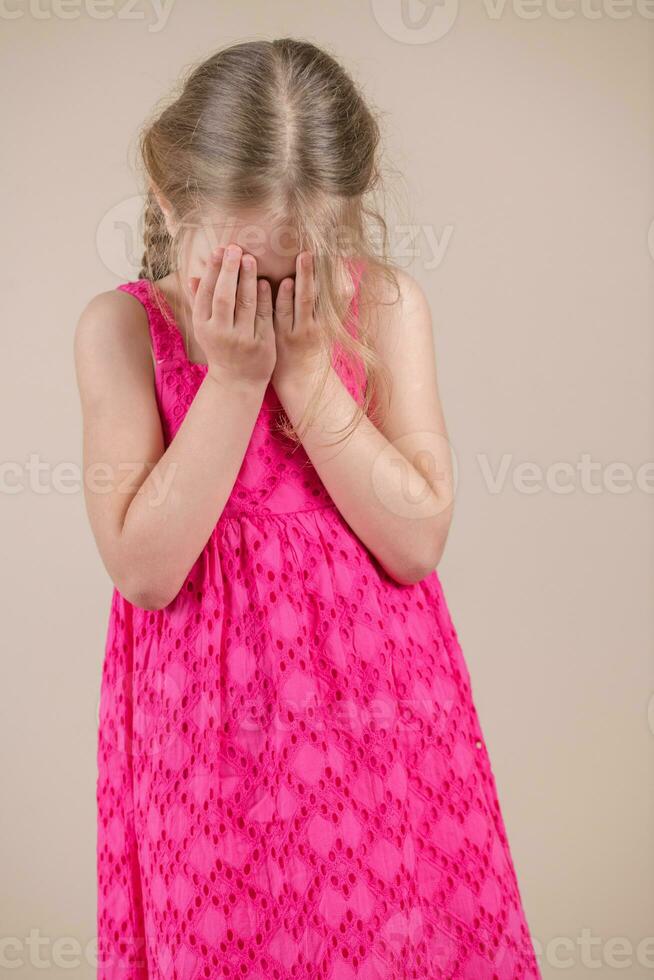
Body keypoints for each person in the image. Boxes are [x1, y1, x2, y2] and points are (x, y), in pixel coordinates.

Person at [74, 37, 541, 980]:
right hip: (207, 735)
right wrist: (236, 381)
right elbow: (144, 567)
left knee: (397, 933)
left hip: (385, 720)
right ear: (170, 205)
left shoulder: (388, 309)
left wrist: (308, 378)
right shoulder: (122, 330)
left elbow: (416, 542)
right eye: (249, 272)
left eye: (302, 270)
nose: (280, 297)